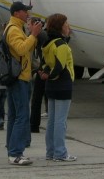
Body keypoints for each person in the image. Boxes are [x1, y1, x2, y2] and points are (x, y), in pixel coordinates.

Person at [5, 1, 42, 166]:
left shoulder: (17, 28)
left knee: (14, 115)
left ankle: (12, 148)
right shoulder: (13, 30)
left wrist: (31, 34)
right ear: (17, 13)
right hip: (19, 78)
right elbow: (21, 49)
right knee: (21, 116)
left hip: (20, 77)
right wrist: (33, 35)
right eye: (25, 11)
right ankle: (15, 153)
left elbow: (24, 50)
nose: (27, 14)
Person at [38, 13, 77, 161]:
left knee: (52, 121)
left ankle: (51, 152)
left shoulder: (48, 43)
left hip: (51, 86)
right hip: (62, 84)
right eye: (66, 24)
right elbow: (60, 66)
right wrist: (51, 75)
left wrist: (45, 74)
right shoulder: (61, 44)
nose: (69, 27)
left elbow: (44, 63)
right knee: (61, 121)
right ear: (60, 27)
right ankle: (60, 153)